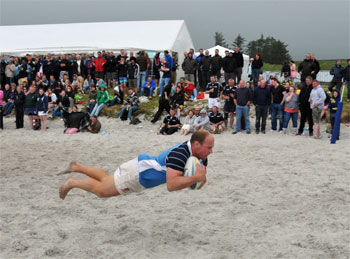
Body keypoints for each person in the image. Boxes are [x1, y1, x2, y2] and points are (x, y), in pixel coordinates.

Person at [58, 130, 213, 199]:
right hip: (138, 174)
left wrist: (200, 179)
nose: (211, 152)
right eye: (208, 148)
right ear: (196, 144)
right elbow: (171, 185)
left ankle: (77, 166)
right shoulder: (180, 154)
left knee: (106, 179)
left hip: (141, 172)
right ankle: (72, 183)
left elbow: (195, 178)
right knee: (102, 191)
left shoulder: (199, 155)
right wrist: (196, 178)